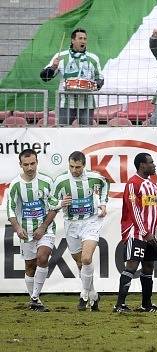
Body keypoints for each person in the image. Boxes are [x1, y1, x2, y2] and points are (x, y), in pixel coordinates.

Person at [114, 153, 157, 313]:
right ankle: (119, 305)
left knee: (149, 267)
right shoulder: (133, 184)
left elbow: (155, 209)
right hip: (136, 234)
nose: (154, 165)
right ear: (142, 165)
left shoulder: (151, 185)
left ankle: (146, 304)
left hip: (150, 234)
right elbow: (133, 210)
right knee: (132, 266)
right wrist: (145, 233)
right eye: (151, 162)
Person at [52, 151, 109, 311]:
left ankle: (83, 294)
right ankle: (93, 295)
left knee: (86, 258)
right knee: (79, 263)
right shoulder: (61, 180)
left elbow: (105, 186)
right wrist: (61, 202)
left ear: (84, 165)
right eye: (71, 166)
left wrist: (103, 204)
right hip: (71, 224)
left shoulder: (95, 177)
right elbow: (50, 199)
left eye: (78, 167)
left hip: (91, 221)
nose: (74, 170)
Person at [7, 149, 60, 311]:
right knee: (30, 266)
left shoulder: (46, 181)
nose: (30, 168)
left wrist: (43, 227)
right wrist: (17, 228)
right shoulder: (15, 185)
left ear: (37, 162)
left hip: (46, 229)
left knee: (42, 257)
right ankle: (34, 301)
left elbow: (54, 206)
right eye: (26, 165)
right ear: (20, 165)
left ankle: (35, 297)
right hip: (26, 231)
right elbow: (10, 210)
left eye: (33, 163)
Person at [40, 28, 104, 125]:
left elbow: (100, 78)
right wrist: (53, 67)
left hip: (87, 102)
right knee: (62, 130)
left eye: (85, 39)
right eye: (80, 38)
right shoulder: (61, 56)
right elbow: (45, 78)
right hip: (65, 102)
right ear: (73, 40)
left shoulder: (93, 58)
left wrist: (94, 85)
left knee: (87, 132)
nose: (83, 41)